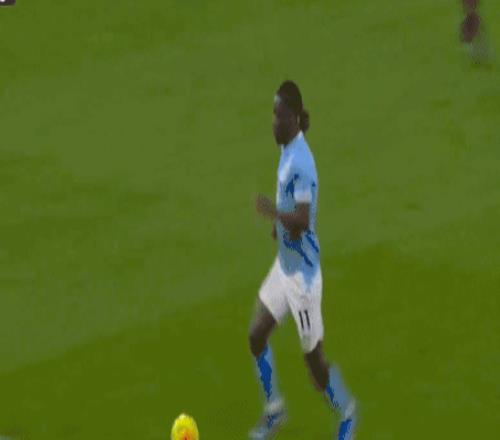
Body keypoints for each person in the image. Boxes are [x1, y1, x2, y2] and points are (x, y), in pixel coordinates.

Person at [249, 80, 357, 440]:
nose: (273, 122)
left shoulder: (301, 162)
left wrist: (274, 215)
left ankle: (346, 412)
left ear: (294, 118)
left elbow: (302, 219)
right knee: (257, 335)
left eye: (279, 116)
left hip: (303, 280)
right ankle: (274, 410)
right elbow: (290, 210)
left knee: (314, 364)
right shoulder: (287, 150)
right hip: (285, 267)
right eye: (273, 114)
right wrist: (277, 229)